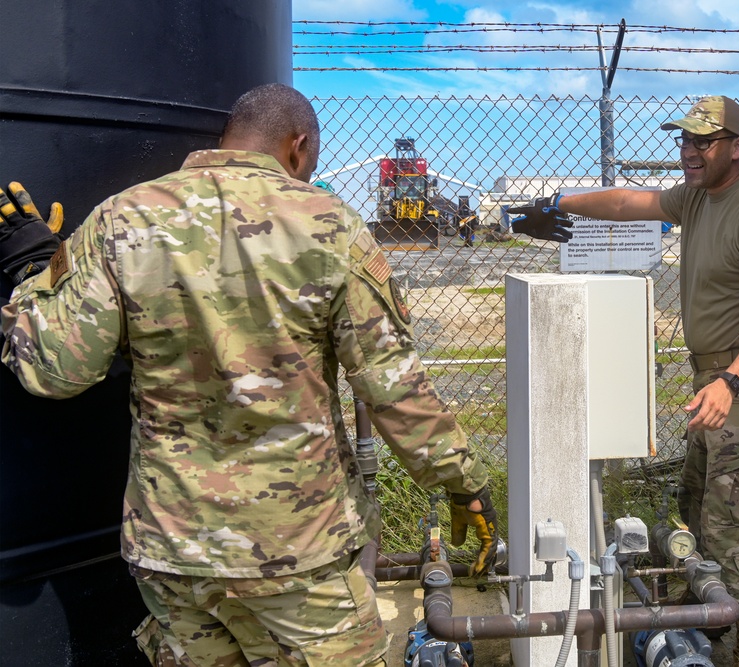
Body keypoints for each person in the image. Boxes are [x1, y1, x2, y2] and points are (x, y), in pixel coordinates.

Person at [0, 82, 497, 667]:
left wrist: (36, 268)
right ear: (299, 146)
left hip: (172, 553)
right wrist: (463, 484)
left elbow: (56, 368)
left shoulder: (120, 218)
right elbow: (392, 385)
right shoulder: (328, 225)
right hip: (295, 556)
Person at [508, 95, 739, 667]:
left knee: (736, 524)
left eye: (703, 142)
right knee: (698, 505)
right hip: (711, 379)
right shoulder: (695, 198)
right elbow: (623, 200)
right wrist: (552, 201)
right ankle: (703, 632)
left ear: (738, 147)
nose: (689, 152)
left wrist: (732, 383)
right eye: (684, 141)